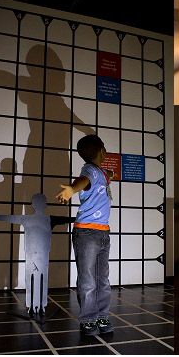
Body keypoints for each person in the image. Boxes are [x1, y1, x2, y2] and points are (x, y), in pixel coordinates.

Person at [55, 134, 114, 336]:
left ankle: (102, 315)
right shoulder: (89, 170)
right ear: (101, 151)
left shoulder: (101, 172)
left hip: (102, 232)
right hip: (88, 233)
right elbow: (83, 181)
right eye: (104, 148)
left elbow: (104, 176)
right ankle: (88, 320)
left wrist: (110, 174)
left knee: (102, 279)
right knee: (88, 280)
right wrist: (72, 189)